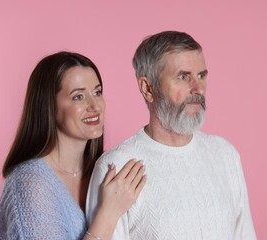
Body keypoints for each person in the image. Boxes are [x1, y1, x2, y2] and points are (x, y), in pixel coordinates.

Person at [86, 31, 257, 239]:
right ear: (148, 88)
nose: (198, 89)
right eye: (183, 77)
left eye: (201, 75)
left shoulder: (225, 155)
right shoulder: (117, 166)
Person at [0, 51, 147, 240]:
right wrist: (109, 213)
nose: (95, 105)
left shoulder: (106, 168)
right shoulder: (29, 183)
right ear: (49, 106)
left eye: (97, 92)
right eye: (78, 97)